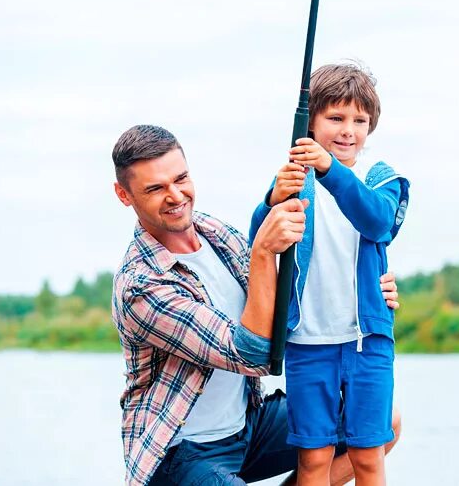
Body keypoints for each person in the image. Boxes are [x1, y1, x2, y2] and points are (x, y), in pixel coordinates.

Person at [109, 124, 401, 486]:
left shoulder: (216, 234)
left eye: (180, 178)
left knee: (383, 424)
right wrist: (263, 250)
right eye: (155, 188)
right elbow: (249, 354)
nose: (175, 195)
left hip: (248, 427)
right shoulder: (141, 285)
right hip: (182, 452)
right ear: (124, 195)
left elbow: (283, 299)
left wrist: (368, 291)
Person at [249, 63, 410, 486]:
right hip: (307, 343)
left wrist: (328, 171)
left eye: (359, 120)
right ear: (312, 121)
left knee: (367, 455)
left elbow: (377, 221)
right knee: (314, 460)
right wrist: (272, 198)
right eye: (335, 118)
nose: (348, 130)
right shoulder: (295, 179)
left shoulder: (381, 178)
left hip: (366, 344)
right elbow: (260, 243)